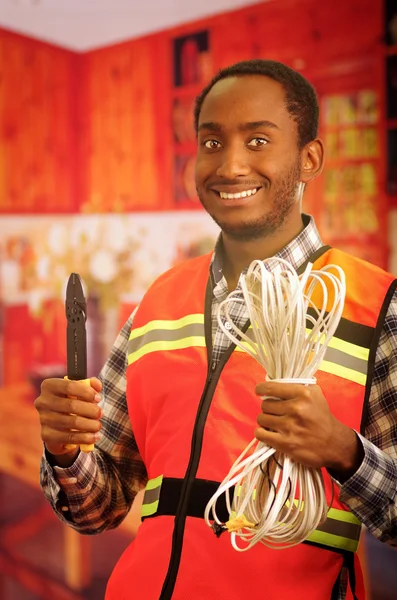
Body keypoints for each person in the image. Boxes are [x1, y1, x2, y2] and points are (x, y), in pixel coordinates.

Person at [35, 59, 397, 600]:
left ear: (309, 159)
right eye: (211, 143)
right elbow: (97, 508)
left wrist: (344, 452)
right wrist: (65, 454)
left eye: (257, 140)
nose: (230, 165)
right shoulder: (156, 303)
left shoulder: (378, 307)